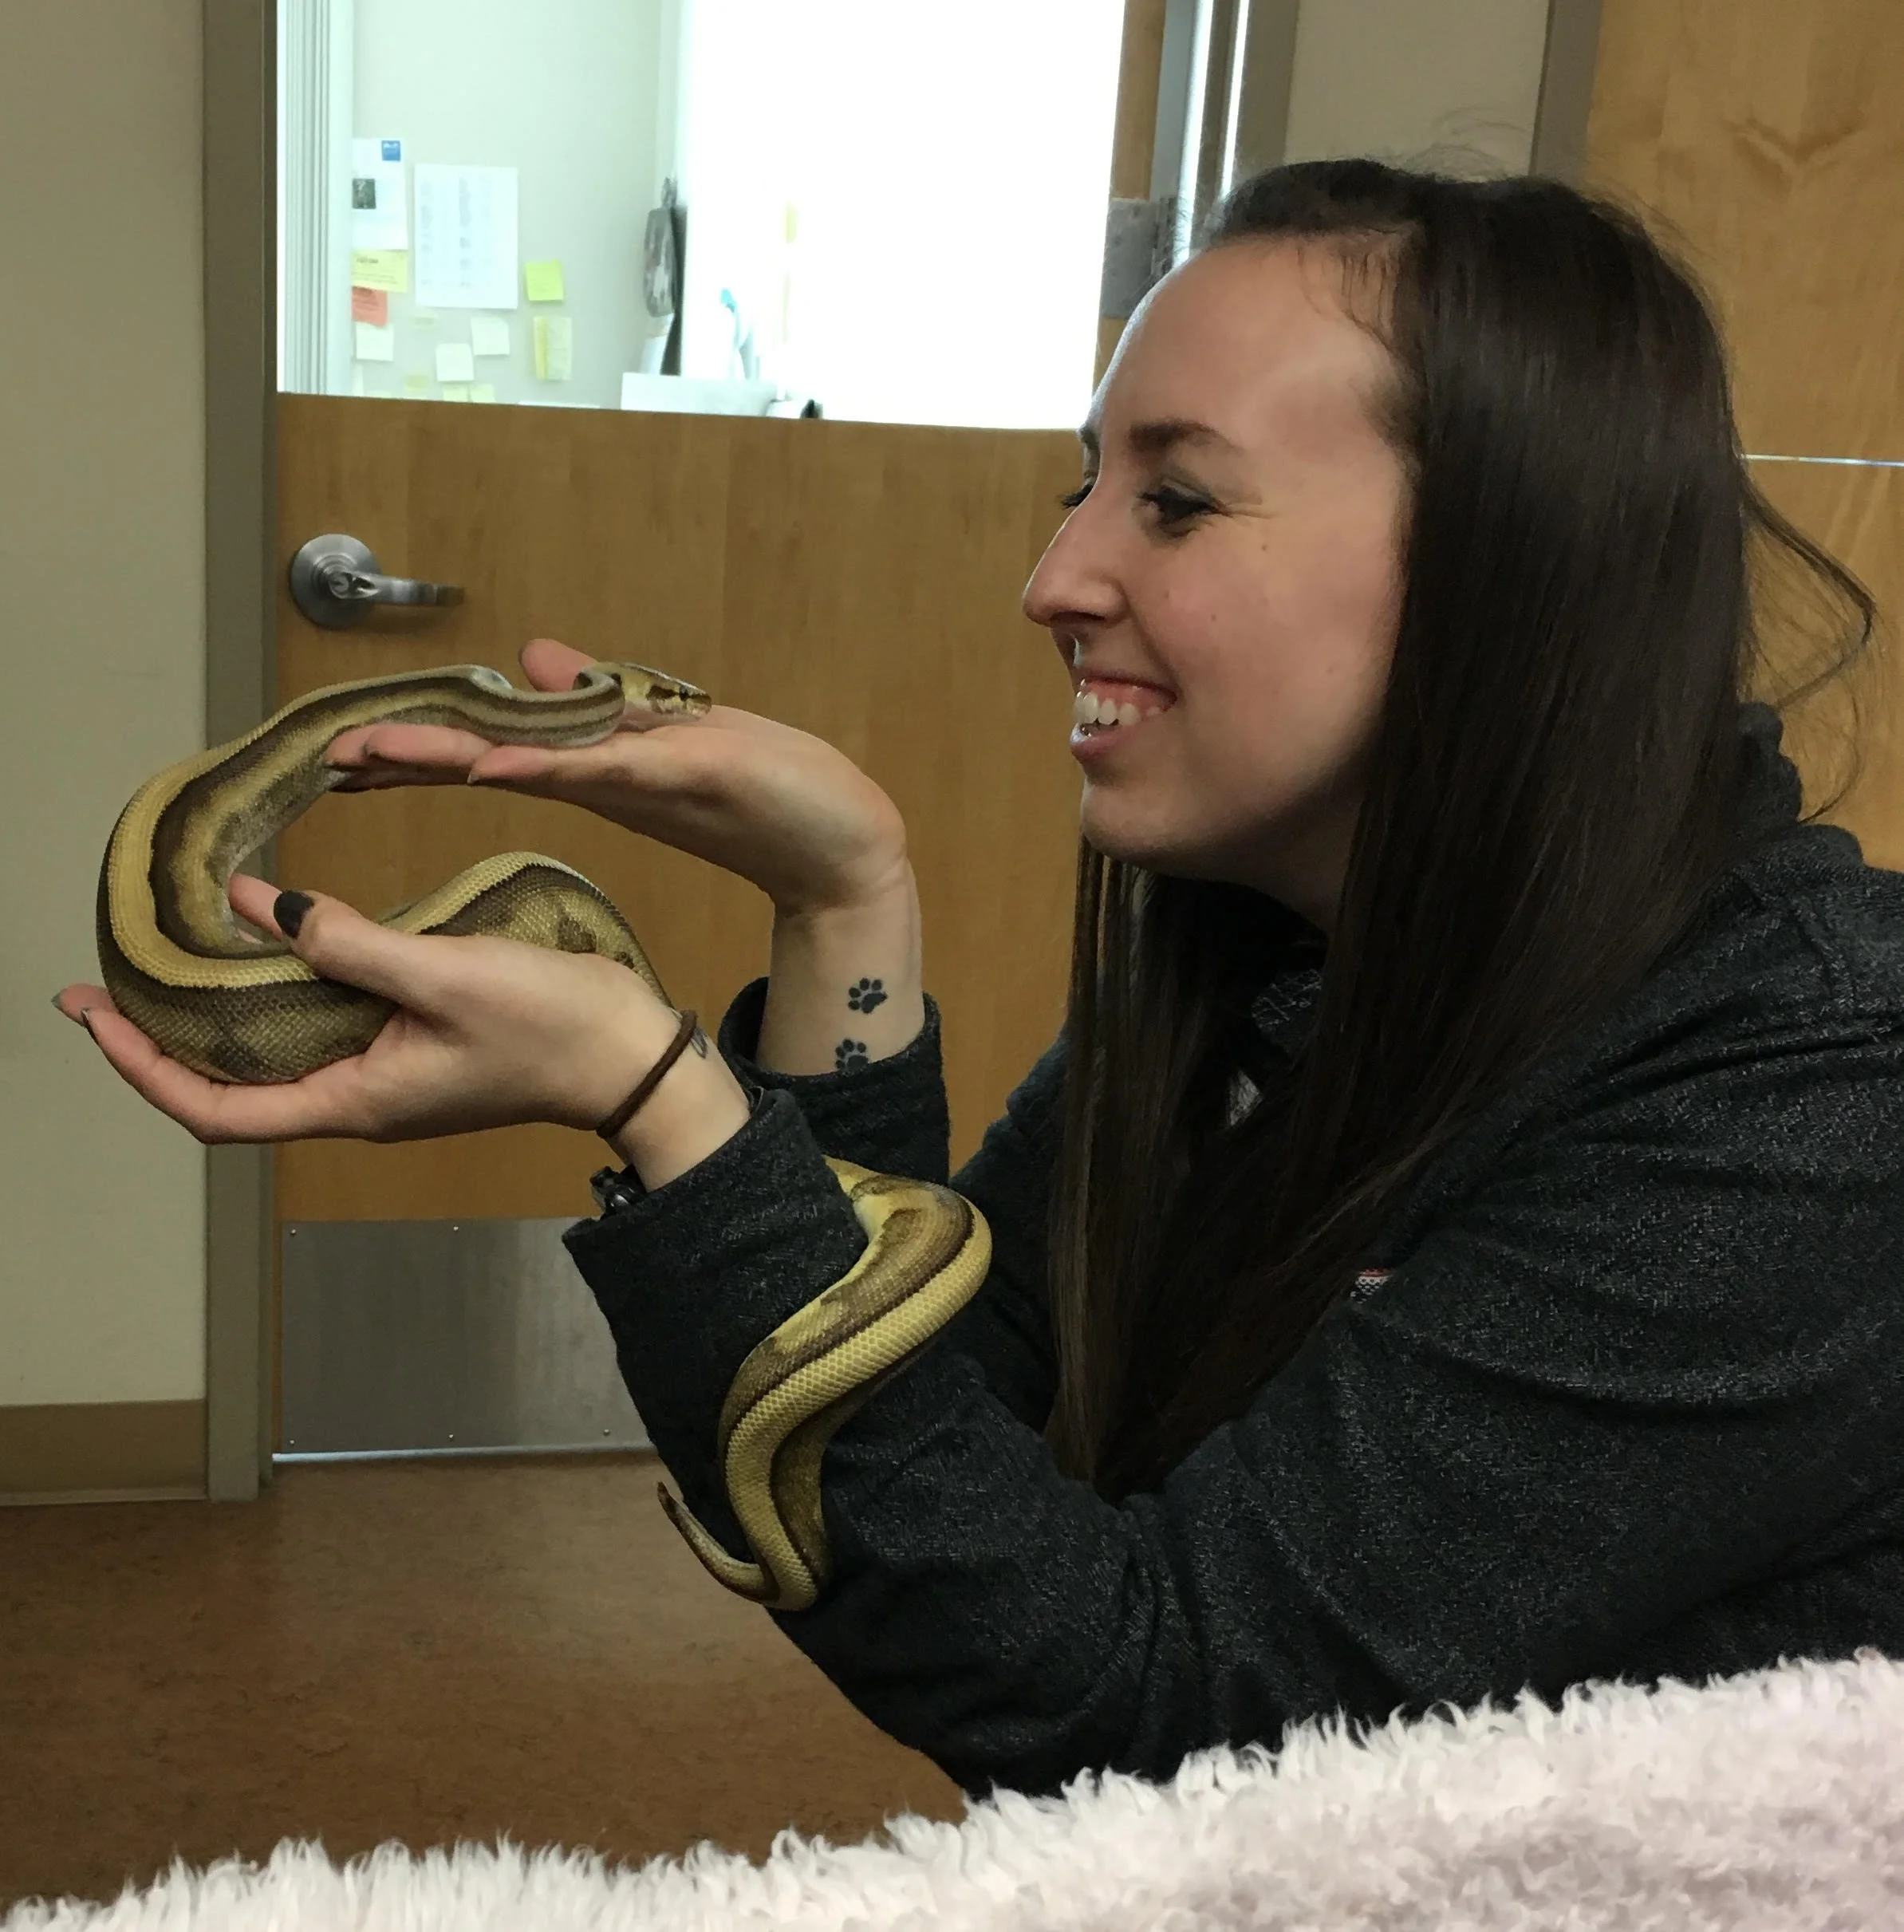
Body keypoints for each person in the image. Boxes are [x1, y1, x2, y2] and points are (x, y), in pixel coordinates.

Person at [58, 160, 1904, 1803]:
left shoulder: (1809, 1093)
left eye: (1173, 502)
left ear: (1511, 571)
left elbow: (1154, 1705)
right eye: (1076, 484)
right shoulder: (1280, 961)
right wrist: (843, 897)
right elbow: (940, 1461)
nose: (1051, 574)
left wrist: (666, 1107)